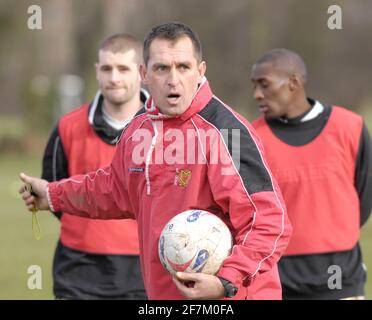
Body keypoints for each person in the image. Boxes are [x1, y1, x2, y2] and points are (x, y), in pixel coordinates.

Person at [19, 22, 292, 300]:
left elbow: (269, 222)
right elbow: (114, 190)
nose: (173, 79)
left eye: (183, 67)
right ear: (144, 74)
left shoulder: (227, 133)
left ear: (200, 71)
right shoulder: (139, 129)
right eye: (162, 68)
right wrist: (52, 194)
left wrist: (225, 280)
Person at [250, 48, 372, 300]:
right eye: (254, 86)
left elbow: (363, 198)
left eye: (264, 84)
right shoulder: (251, 138)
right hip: (276, 285)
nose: (257, 94)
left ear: (294, 82)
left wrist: (332, 234)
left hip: (341, 281)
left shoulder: (350, 127)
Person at [41, 33, 147, 299]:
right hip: (78, 268)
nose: (114, 78)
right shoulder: (68, 127)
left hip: (144, 268)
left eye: (123, 68)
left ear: (141, 72)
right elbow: (55, 192)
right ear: (97, 72)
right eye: (107, 69)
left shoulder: (167, 130)